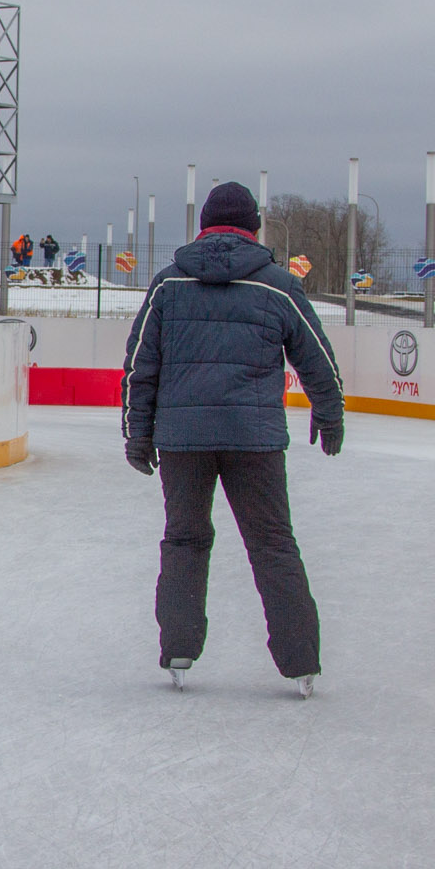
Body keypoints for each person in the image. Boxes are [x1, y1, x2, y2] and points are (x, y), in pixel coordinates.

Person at [121, 181, 343, 696]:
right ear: (255, 226)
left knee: (185, 539)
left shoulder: (168, 285)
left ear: (203, 226)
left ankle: (178, 648)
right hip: (254, 438)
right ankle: (301, 662)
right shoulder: (276, 285)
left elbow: (140, 367)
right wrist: (329, 414)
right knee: (272, 544)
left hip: (183, 439)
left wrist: (137, 433)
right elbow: (317, 358)